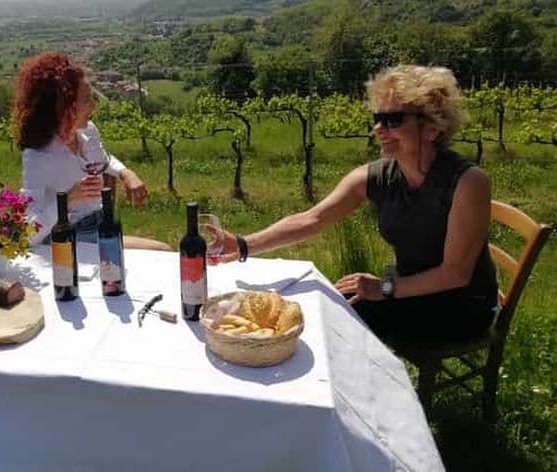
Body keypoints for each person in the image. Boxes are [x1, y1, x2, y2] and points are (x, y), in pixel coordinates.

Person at [213, 65, 498, 343]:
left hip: (460, 308)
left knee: (331, 327)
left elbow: (456, 273)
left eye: (393, 120)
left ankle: (367, 388)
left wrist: (384, 287)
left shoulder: (468, 182)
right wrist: (243, 245)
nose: (378, 128)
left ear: (432, 128)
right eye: (377, 118)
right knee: (321, 309)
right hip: (406, 290)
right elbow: (312, 219)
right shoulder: (377, 176)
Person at [13, 52, 169, 250]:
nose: (94, 105)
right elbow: (29, 231)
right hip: (70, 238)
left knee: (162, 251)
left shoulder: (87, 131)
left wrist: (126, 173)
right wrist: (68, 199)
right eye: (87, 99)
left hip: (101, 224)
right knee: (161, 252)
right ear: (62, 106)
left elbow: (104, 159)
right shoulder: (38, 156)